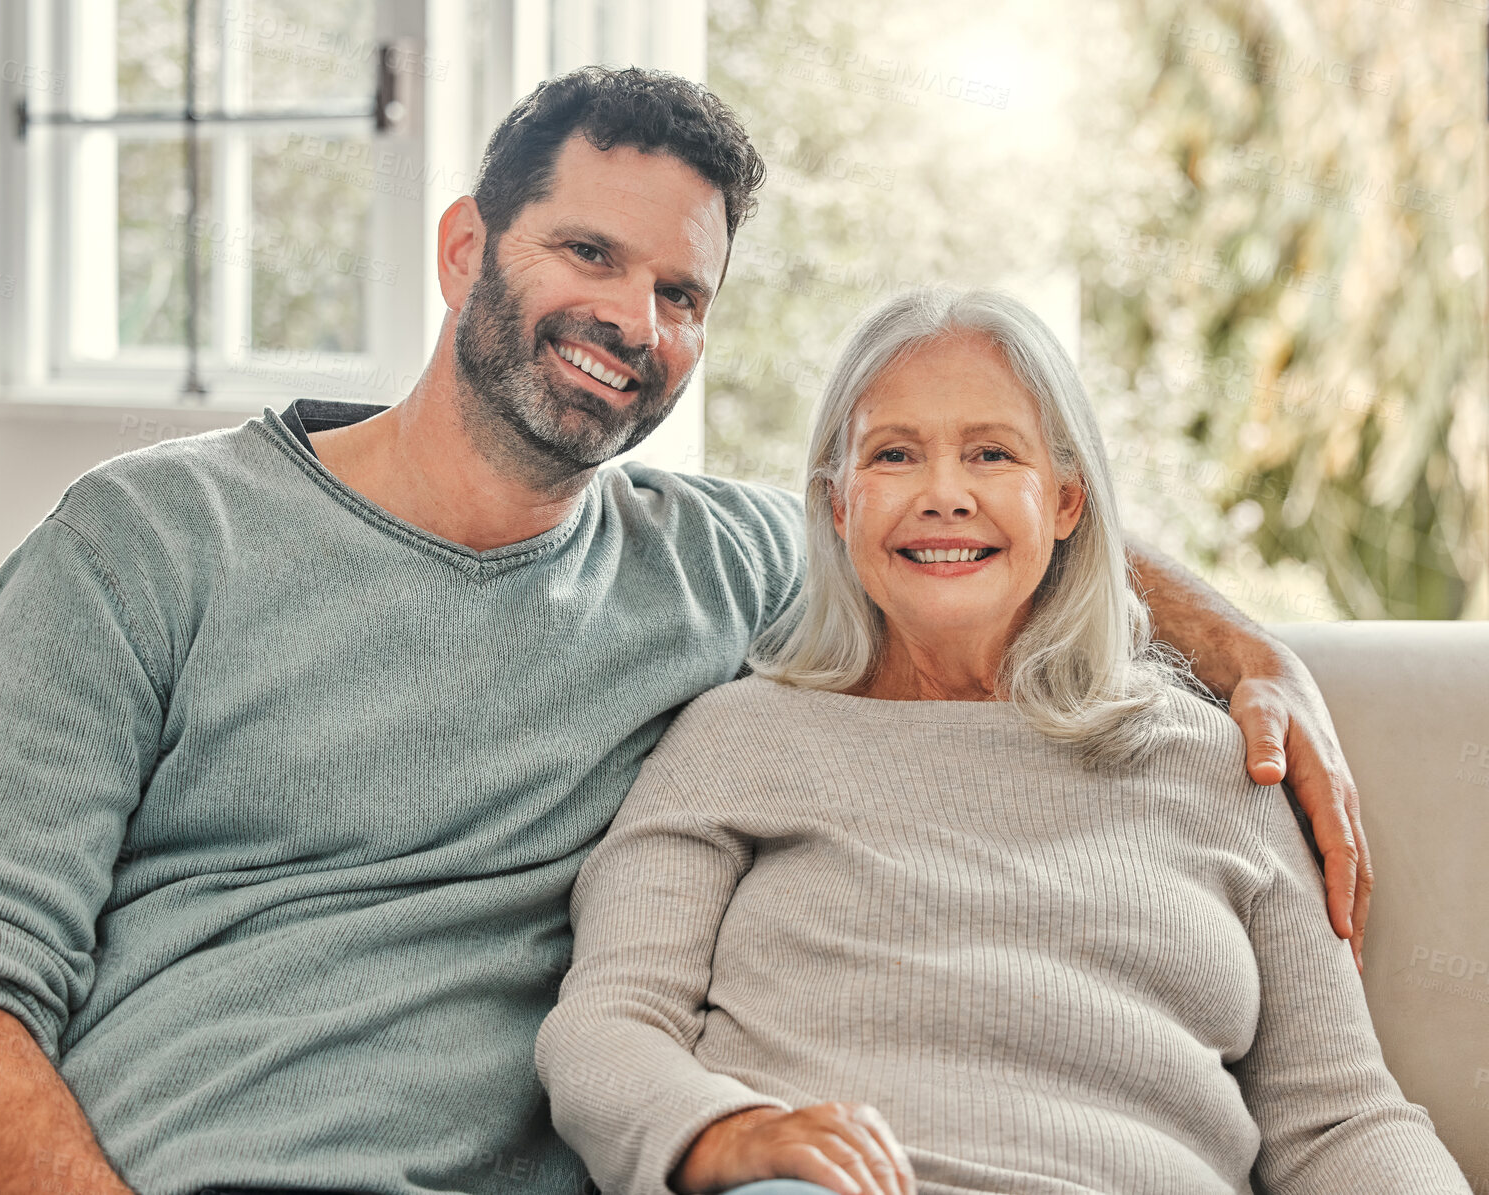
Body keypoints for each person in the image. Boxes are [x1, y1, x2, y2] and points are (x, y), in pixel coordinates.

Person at [0, 68, 1370, 1195]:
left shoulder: (720, 566)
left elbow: (968, 514)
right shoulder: (147, 539)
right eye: (588, 254)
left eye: (682, 291)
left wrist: (1241, 648)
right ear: (462, 251)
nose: (634, 319)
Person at [534, 286, 1468, 1195]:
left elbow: (1340, 1117)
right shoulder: (736, 737)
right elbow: (610, 1022)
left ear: (1066, 502)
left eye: (990, 454)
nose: (944, 496)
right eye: (894, 455)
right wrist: (727, 1132)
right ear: (837, 503)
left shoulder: (1221, 761)